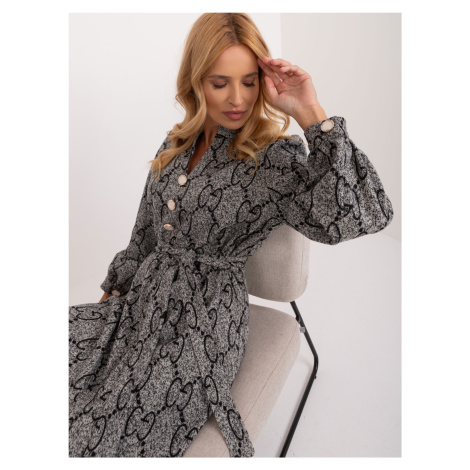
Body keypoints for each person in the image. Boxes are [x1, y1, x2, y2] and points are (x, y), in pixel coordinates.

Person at [69, 13, 394, 458]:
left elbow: (361, 214)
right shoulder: (175, 144)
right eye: (220, 83)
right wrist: (110, 302)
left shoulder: (272, 157)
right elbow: (144, 235)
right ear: (195, 82)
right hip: (142, 304)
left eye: (249, 82)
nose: (237, 98)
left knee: (106, 425)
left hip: (204, 322)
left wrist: (310, 113)